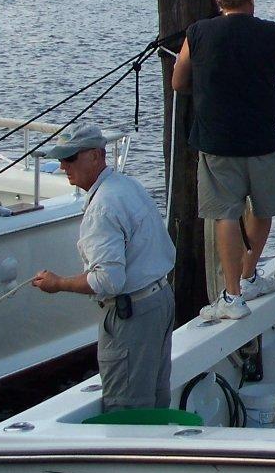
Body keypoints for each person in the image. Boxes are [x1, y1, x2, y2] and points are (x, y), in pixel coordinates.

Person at [171, 0, 275, 321]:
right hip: (262, 139)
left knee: (226, 214)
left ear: (219, 2)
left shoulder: (197, 32)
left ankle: (232, 294)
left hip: (216, 141)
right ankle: (249, 274)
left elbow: (178, 81)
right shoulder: (272, 33)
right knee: (263, 210)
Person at [29, 124, 178, 412]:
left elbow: (108, 281)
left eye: (70, 158)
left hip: (133, 316)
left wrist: (58, 284)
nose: (63, 166)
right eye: (61, 159)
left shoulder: (102, 207)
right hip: (160, 301)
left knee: (127, 412)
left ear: (96, 156)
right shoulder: (128, 185)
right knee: (157, 402)